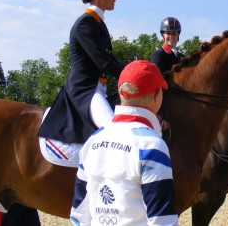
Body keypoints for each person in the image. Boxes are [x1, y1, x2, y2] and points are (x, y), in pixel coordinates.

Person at [70, 60, 179, 226]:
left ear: (121, 93)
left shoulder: (92, 141)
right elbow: (163, 221)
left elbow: (79, 214)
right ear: (157, 96)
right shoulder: (152, 146)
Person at [38, 0, 125, 144]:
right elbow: (103, 62)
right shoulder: (85, 23)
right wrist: (134, 77)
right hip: (85, 90)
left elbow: (111, 59)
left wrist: (134, 69)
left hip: (98, 88)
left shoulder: (98, 22)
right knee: (111, 131)